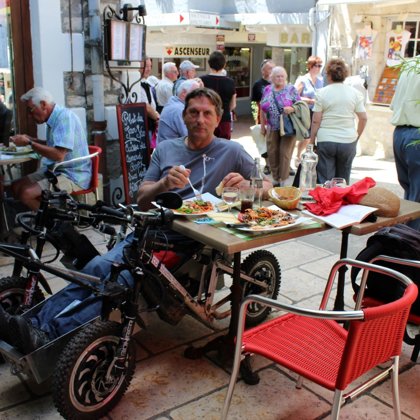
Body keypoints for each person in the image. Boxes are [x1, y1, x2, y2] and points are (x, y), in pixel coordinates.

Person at [0, 88, 273, 354]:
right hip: (151, 231)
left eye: (207, 113)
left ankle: (48, 333)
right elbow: (141, 197)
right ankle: (29, 324)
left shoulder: (231, 151)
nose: (199, 119)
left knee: (121, 284)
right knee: (95, 267)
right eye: (193, 112)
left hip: (190, 241)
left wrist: (248, 184)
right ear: (184, 116)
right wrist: (164, 183)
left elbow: (268, 186)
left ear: (218, 117)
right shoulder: (166, 149)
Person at [10, 87, 91, 210]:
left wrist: (30, 142)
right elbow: (52, 144)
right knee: (16, 186)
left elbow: (58, 155)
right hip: (55, 170)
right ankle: (43, 217)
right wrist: (30, 139)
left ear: (43, 104)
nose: (30, 115)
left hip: (73, 175)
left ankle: (52, 222)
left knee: (25, 193)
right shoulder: (53, 118)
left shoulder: (64, 118)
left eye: (30, 110)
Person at [309, 58, 367, 185]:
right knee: (343, 181)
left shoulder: (321, 93)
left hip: (326, 140)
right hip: (348, 140)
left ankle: (327, 203)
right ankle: (342, 203)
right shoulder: (355, 93)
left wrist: (312, 142)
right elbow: (363, 118)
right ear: (344, 75)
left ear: (329, 75)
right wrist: (356, 136)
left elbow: (316, 121)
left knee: (325, 181)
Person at [390, 56, 420, 230]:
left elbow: (395, 104)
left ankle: (404, 241)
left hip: (401, 132)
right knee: (416, 202)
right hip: (415, 134)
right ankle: (410, 247)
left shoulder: (410, 64)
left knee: (411, 198)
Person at [260, 66, 300, 187]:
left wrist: (292, 108)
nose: (280, 78)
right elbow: (262, 108)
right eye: (277, 76)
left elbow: (300, 106)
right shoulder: (267, 89)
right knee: (272, 152)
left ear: (286, 77)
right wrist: (263, 126)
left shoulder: (291, 89)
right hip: (272, 126)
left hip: (288, 127)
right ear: (271, 77)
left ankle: (283, 180)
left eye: (282, 76)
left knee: (285, 153)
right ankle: (276, 178)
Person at [294, 56, 324, 165]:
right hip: (306, 112)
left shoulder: (321, 80)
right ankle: (298, 156)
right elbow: (294, 96)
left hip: (318, 111)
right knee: (306, 137)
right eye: (316, 65)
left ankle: (308, 156)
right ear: (310, 66)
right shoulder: (303, 79)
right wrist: (310, 100)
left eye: (320, 65)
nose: (318, 68)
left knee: (314, 135)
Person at [200, 50, 236, 140]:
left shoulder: (202, 80)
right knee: (224, 147)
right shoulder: (230, 82)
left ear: (209, 64)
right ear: (224, 65)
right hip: (224, 119)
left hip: (206, 118)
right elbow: (233, 105)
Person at [157, 79, 200, 144]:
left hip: (169, 148)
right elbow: (191, 136)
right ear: (183, 93)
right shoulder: (178, 109)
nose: (199, 98)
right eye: (195, 94)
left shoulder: (174, 103)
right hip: (171, 151)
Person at [251, 59, 275, 174]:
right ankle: (267, 164)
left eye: (273, 68)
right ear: (263, 71)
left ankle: (278, 164)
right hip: (262, 116)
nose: (272, 70)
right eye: (269, 68)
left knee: (275, 142)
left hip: (275, 118)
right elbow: (254, 103)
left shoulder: (278, 83)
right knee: (263, 141)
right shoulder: (258, 85)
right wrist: (258, 119)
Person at [137, 57, 160, 149]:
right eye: (145, 66)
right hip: (145, 124)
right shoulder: (138, 84)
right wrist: (158, 118)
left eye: (150, 66)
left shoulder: (146, 82)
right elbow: (146, 106)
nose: (149, 69)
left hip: (151, 122)